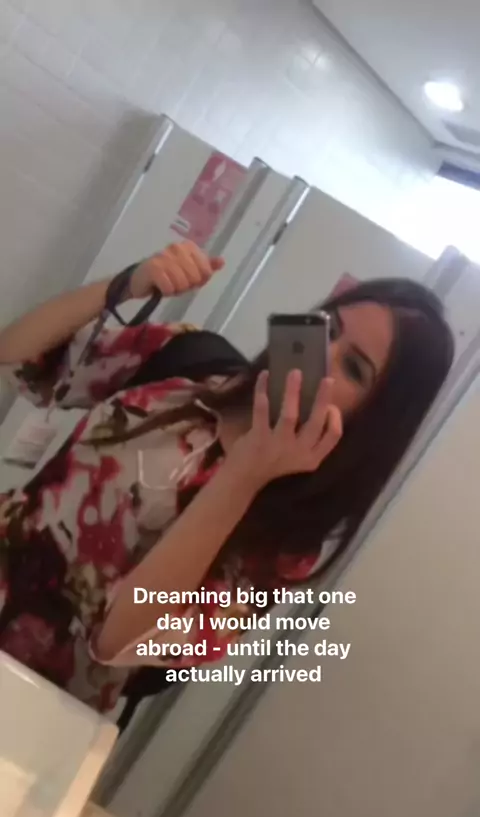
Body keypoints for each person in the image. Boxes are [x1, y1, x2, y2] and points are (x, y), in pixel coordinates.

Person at [0, 241, 454, 712]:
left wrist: (243, 476)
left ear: (372, 421)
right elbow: (16, 357)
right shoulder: (189, 362)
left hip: (34, 704)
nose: (320, 354)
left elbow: (119, 643)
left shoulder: (288, 544)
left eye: (354, 368)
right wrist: (126, 284)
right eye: (329, 327)